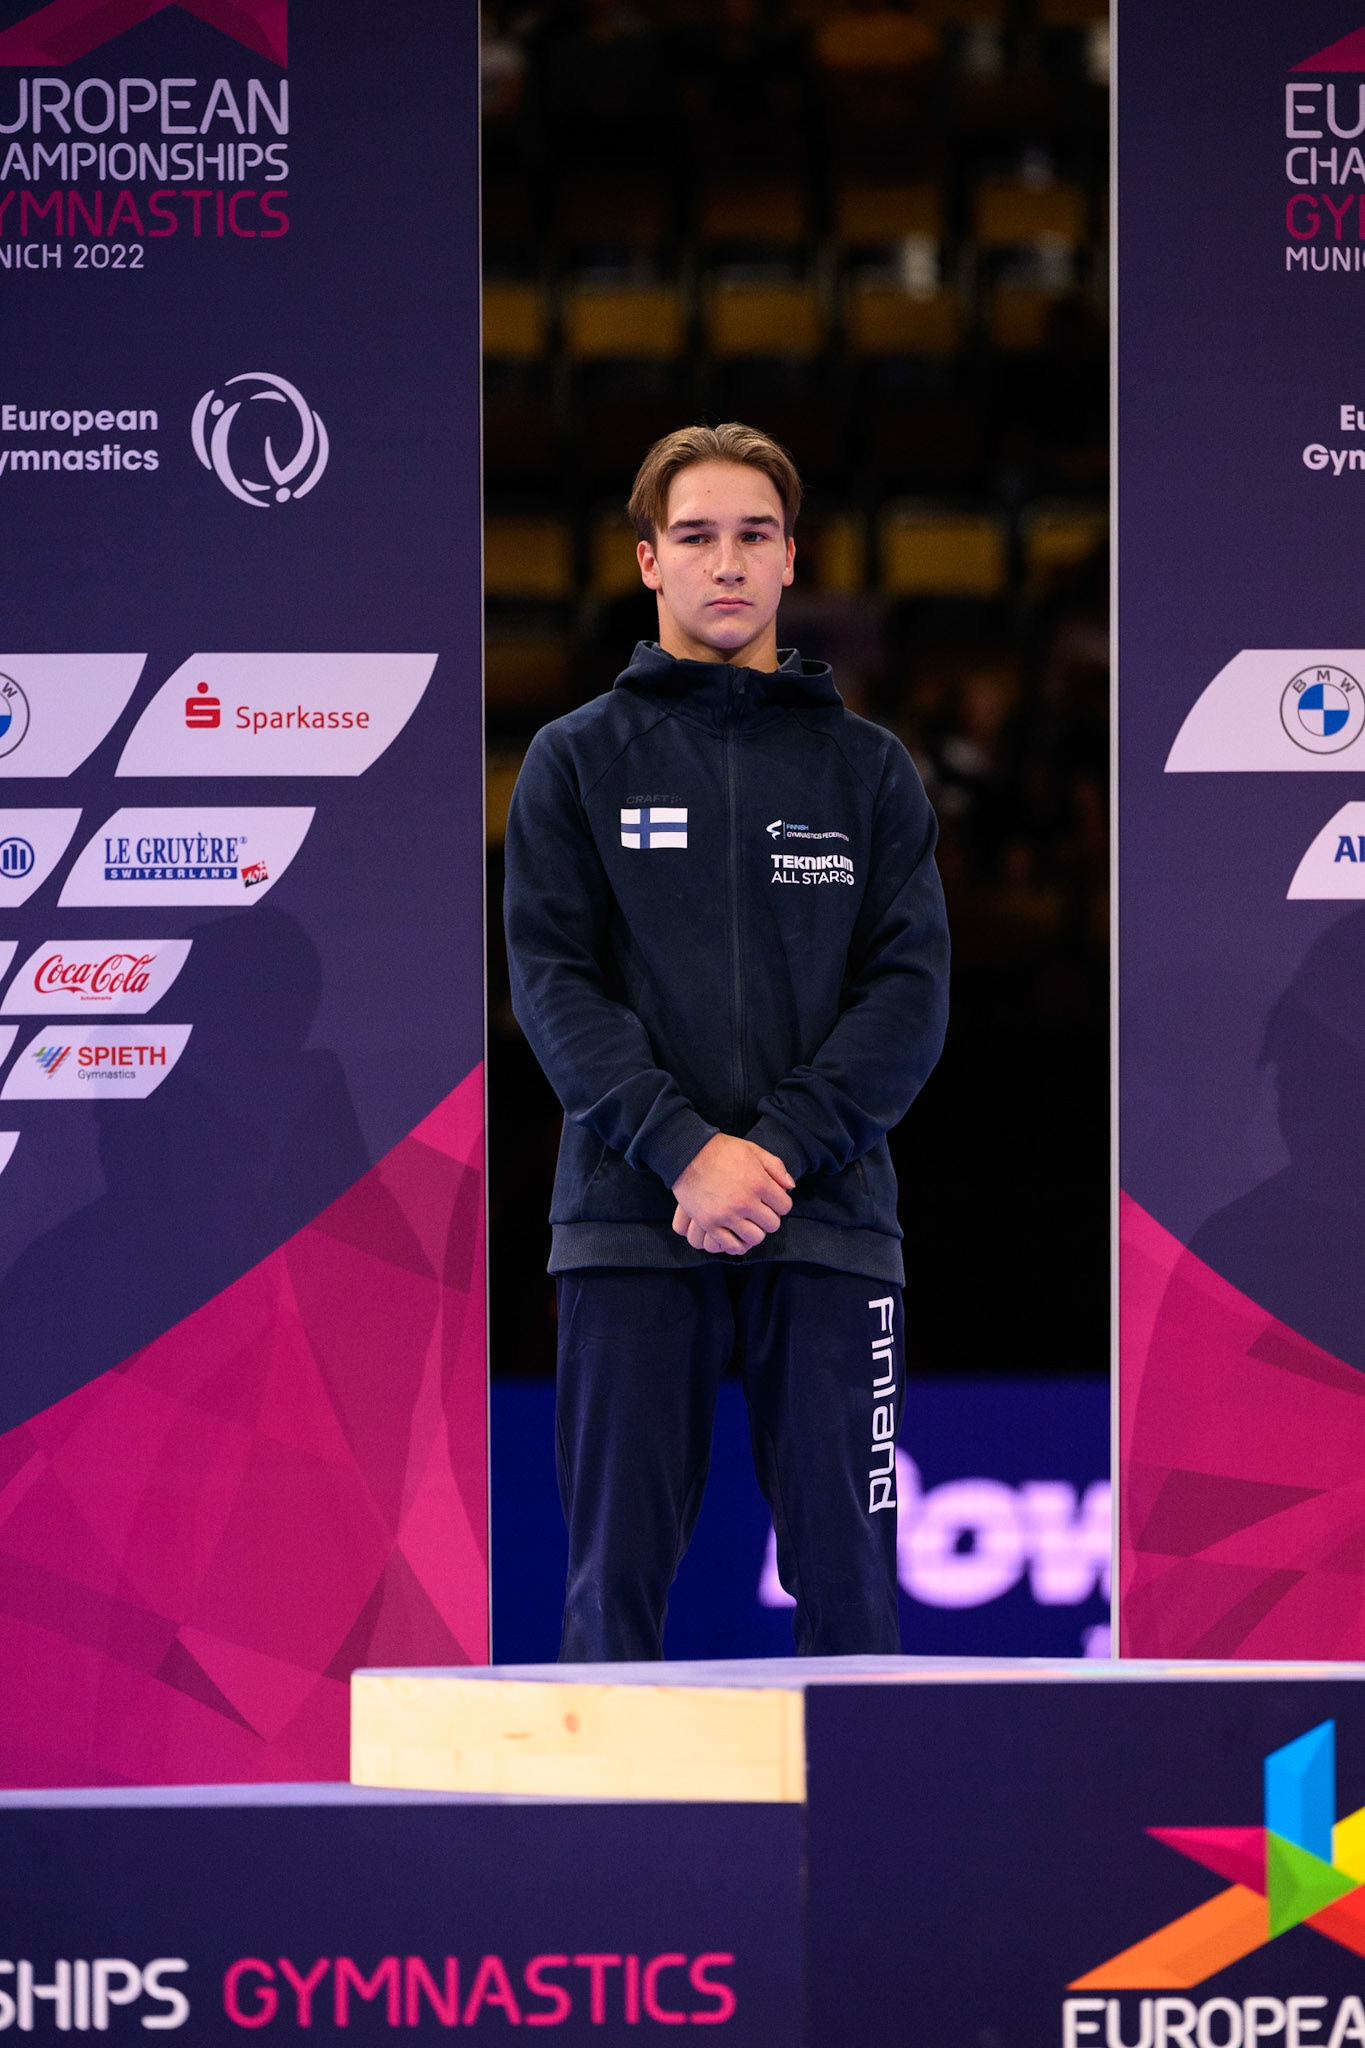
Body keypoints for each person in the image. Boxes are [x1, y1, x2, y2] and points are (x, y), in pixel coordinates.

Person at [503, 422, 949, 1660]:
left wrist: (780, 1152)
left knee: (852, 1589)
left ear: (792, 556)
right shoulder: (575, 760)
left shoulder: (869, 771)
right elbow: (553, 988)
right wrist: (685, 1151)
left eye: (754, 534)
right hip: (631, 1217)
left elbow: (910, 1000)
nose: (727, 561)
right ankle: (604, 1856)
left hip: (829, 1219)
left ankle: (863, 1852)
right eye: (695, 536)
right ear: (649, 560)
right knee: (614, 1589)